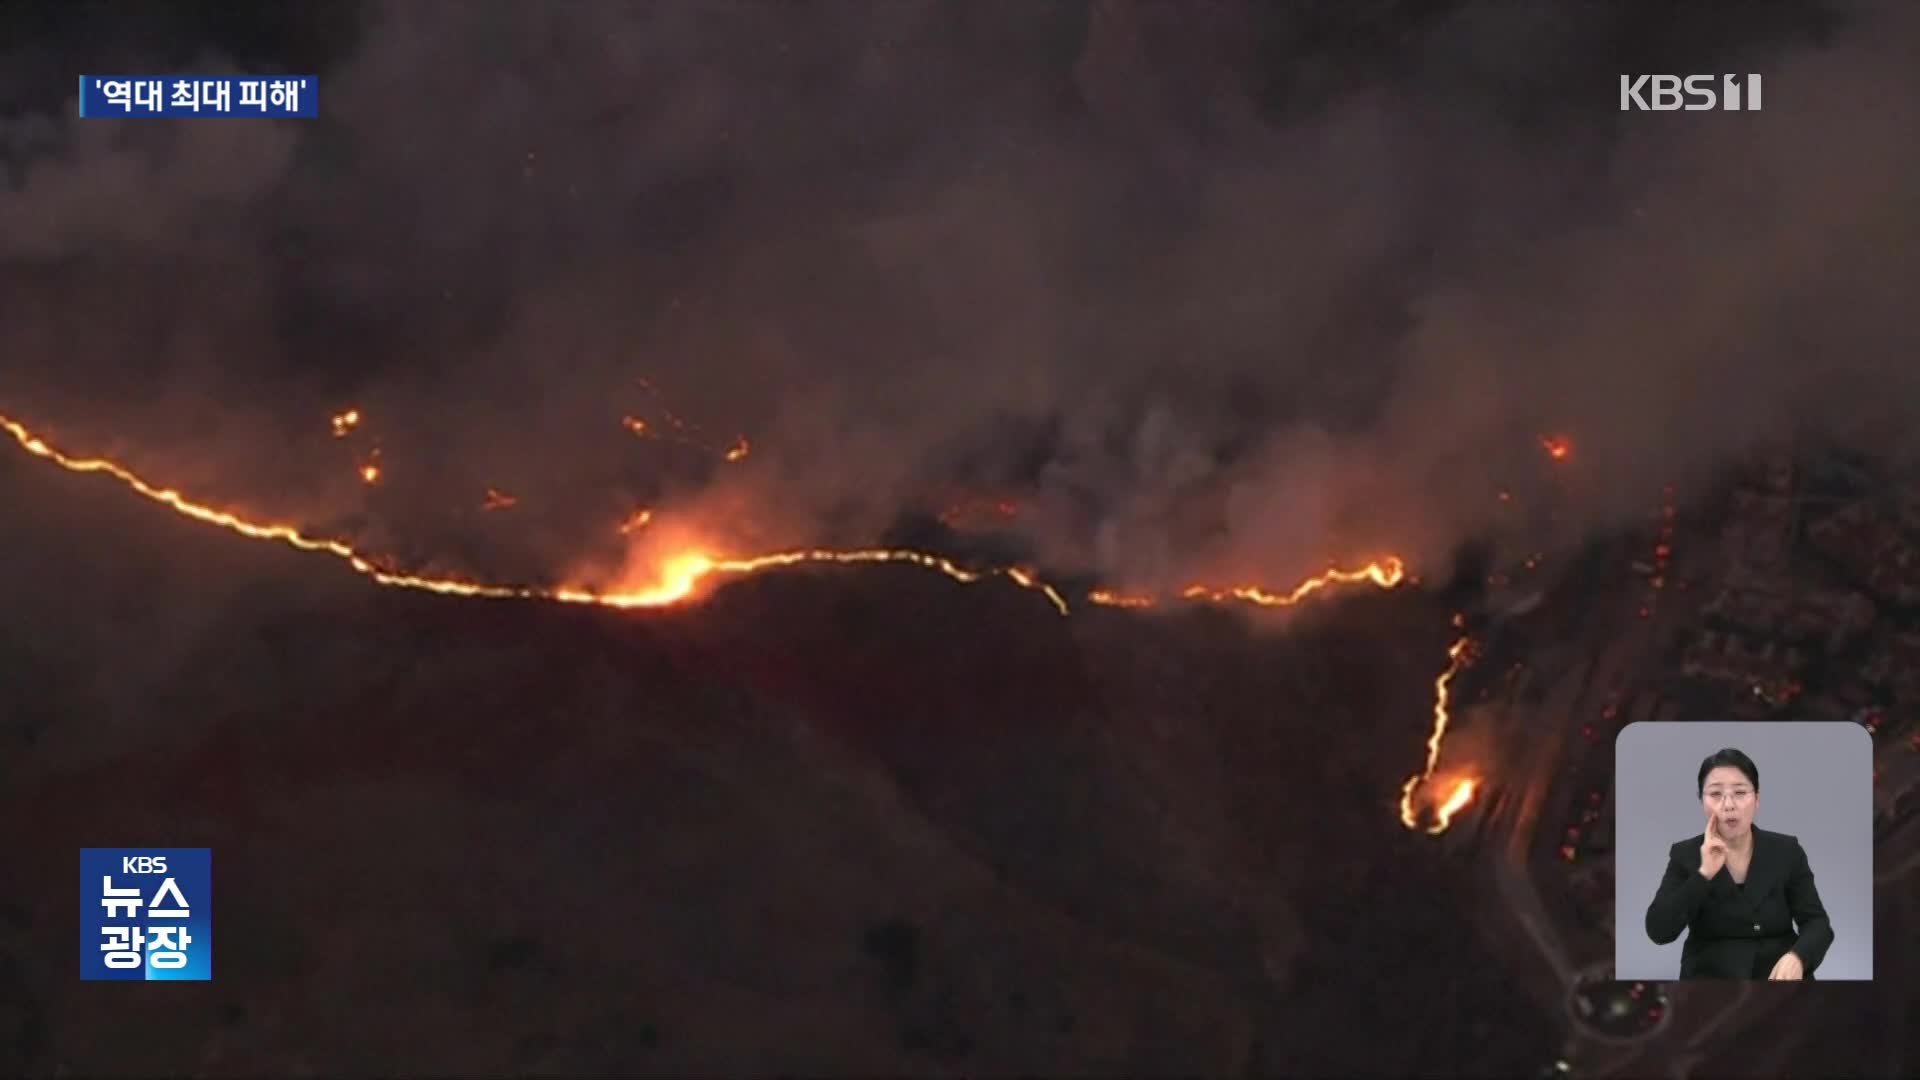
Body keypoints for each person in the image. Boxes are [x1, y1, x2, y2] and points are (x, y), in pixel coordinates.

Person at [1643, 747, 1833, 980]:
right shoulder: (1685, 854)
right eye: (1715, 794)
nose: (1729, 804)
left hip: (1779, 977)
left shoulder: (1786, 850)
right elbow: (1659, 931)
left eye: (1740, 792)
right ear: (1701, 801)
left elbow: (1817, 922)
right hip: (1711, 981)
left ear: (1757, 799)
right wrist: (1703, 874)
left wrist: (1798, 957)